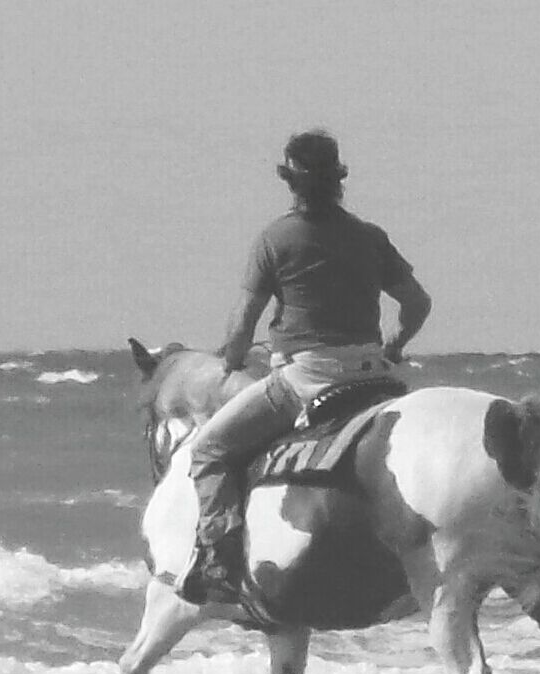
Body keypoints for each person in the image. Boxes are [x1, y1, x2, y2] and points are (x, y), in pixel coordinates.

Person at [176, 130, 432, 605]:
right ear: (338, 179)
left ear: (288, 181)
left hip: (306, 378)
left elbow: (242, 328)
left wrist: (231, 360)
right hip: (374, 374)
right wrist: (395, 346)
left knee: (209, 450)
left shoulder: (275, 239)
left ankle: (219, 561)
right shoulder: (370, 237)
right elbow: (417, 303)